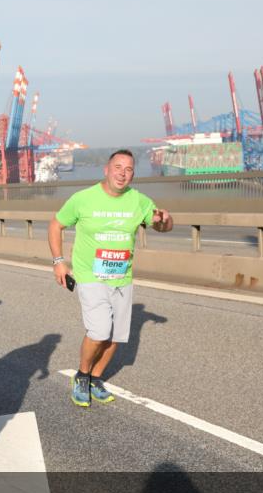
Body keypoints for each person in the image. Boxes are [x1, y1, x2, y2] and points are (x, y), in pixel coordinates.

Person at [48, 149, 173, 407]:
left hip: (122, 277)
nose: (122, 173)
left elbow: (160, 224)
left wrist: (164, 220)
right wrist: (59, 262)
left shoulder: (138, 201)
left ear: (132, 175)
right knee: (99, 330)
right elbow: (55, 225)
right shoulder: (83, 199)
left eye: (128, 170)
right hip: (90, 275)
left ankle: (95, 378)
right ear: (106, 169)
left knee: (116, 337)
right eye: (118, 167)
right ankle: (81, 376)